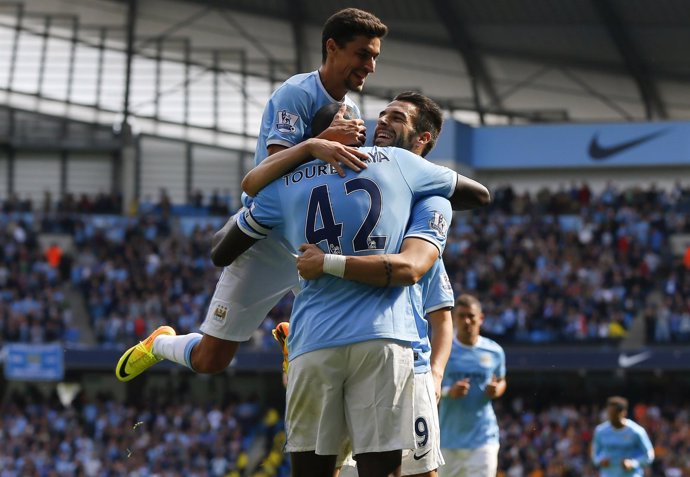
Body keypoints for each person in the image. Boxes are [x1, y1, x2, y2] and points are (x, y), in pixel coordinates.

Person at [210, 97, 489, 476]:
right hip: (385, 339)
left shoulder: (282, 188)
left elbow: (222, 250)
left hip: (313, 341)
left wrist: (285, 180)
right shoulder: (403, 167)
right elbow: (479, 195)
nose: (375, 125)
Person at [115, 7, 385, 382]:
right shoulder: (296, 94)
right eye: (362, 54)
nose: (370, 65)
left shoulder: (351, 109)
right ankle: (161, 343)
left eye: (374, 56)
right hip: (266, 237)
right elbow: (270, 169)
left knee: (343, 332)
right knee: (212, 359)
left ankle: (298, 336)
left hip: (315, 238)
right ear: (332, 48)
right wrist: (318, 143)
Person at [439, 294, 507, 477]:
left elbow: (501, 380)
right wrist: (448, 392)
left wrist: (496, 390)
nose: (466, 321)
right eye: (461, 316)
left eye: (471, 316)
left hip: (483, 440)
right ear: (454, 319)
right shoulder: (443, 349)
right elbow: (428, 384)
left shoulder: (494, 351)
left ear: (481, 319)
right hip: (447, 441)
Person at [591, 396, 654, 477]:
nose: (612, 417)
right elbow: (594, 454)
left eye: (615, 414)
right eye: (610, 414)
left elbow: (649, 455)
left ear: (623, 412)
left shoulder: (636, 431)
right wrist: (600, 461)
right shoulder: (600, 431)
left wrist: (633, 463)